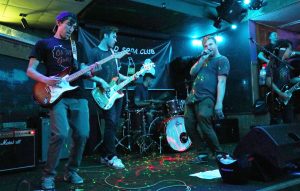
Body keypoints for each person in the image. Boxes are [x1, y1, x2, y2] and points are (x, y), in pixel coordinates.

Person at [26, 11, 90, 190]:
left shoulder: (78, 46)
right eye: (69, 24)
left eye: (74, 27)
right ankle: (48, 175)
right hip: (56, 96)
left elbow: (84, 70)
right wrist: (46, 80)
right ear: (59, 22)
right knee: (60, 133)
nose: (71, 29)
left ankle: (71, 171)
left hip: (78, 94)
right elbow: (30, 71)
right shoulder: (44, 43)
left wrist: (91, 71)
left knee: (83, 134)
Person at [184, 36, 230, 163]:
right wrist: (202, 58)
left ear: (216, 44)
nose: (208, 47)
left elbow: (221, 82)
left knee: (205, 122)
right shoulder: (203, 60)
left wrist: (219, 102)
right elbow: (192, 72)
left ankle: (219, 152)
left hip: (207, 97)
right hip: (192, 98)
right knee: (189, 125)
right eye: (205, 46)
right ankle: (202, 153)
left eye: (210, 44)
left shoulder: (222, 60)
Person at [89, 26, 129, 169]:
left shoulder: (113, 52)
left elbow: (117, 75)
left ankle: (104, 156)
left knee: (114, 124)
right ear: (105, 35)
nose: (116, 39)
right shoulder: (95, 52)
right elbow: (89, 74)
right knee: (111, 123)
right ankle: (112, 156)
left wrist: (131, 77)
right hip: (104, 94)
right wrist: (101, 82)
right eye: (114, 36)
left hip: (117, 93)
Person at [266, 39, 299, 124]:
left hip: (287, 99)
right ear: (283, 49)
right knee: (276, 125)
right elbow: (268, 81)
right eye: (290, 49)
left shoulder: (287, 64)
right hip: (276, 99)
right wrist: (280, 93)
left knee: (289, 123)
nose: (291, 51)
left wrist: (299, 79)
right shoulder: (273, 62)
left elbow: (290, 80)